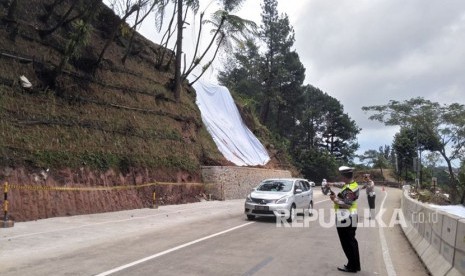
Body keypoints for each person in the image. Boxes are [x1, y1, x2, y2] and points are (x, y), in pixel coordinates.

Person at [328, 166, 361, 273]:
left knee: (347, 243)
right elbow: (342, 185)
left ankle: (352, 266)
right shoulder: (352, 184)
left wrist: (335, 199)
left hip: (346, 218)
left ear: (344, 177)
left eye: (341, 176)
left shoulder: (350, 189)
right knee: (352, 242)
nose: (341, 178)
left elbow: (347, 204)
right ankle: (355, 265)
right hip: (352, 217)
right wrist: (331, 184)